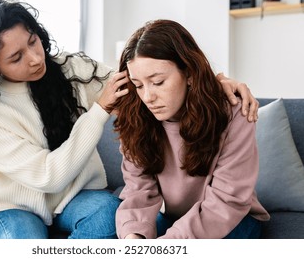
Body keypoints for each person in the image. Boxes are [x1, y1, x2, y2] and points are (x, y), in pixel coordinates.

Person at [0, 0, 259, 239]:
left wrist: (215, 82)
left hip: (79, 199)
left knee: (111, 217)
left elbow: (140, 78)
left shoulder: (72, 69)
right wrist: (100, 111)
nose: (36, 59)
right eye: (16, 57)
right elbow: (49, 176)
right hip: (17, 206)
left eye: (33, 40)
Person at [113, 19, 270, 239]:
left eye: (158, 82)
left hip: (233, 219)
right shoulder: (137, 119)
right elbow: (138, 191)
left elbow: (227, 202)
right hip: (176, 219)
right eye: (138, 85)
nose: (148, 97)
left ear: (189, 74)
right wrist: (133, 238)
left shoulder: (235, 113)